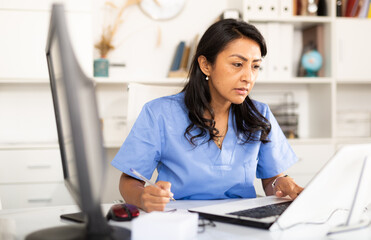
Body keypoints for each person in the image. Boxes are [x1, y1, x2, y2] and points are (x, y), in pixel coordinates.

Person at [111, 19, 304, 212]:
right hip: (180, 220)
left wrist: (281, 183)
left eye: (255, 66)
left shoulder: (260, 114)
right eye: (237, 64)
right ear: (205, 65)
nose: (249, 77)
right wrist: (142, 197)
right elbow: (129, 180)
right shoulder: (159, 114)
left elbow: (271, 180)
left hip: (242, 221)